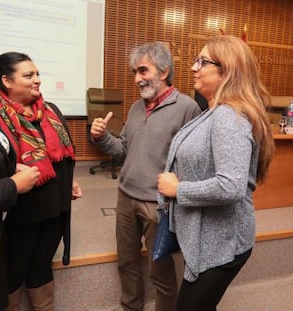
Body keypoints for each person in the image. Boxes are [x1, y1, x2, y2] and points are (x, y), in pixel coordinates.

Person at [157, 35, 275, 311]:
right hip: (206, 236)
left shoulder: (228, 117)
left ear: (227, 71)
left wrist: (178, 190)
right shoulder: (214, 112)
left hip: (221, 243)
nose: (193, 68)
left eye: (202, 61)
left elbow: (231, 186)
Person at [90, 41, 201, 311]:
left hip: (158, 204)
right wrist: (102, 138)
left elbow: (194, 164)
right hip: (126, 197)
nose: (137, 79)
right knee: (126, 263)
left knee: (160, 272)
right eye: (134, 72)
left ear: (163, 72)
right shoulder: (137, 107)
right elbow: (123, 150)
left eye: (143, 70)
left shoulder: (187, 108)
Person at [0, 51, 82, 310]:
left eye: (37, 74)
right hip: (20, 213)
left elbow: (63, 155)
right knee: (13, 272)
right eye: (28, 75)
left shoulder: (51, 110)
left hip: (55, 209)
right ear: (7, 81)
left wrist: (69, 181)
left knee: (42, 267)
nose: (37, 80)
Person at [0, 26, 41, 311]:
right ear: (7, 82)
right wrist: (13, 185)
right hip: (11, 215)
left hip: (1, 227)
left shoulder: (50, 112)